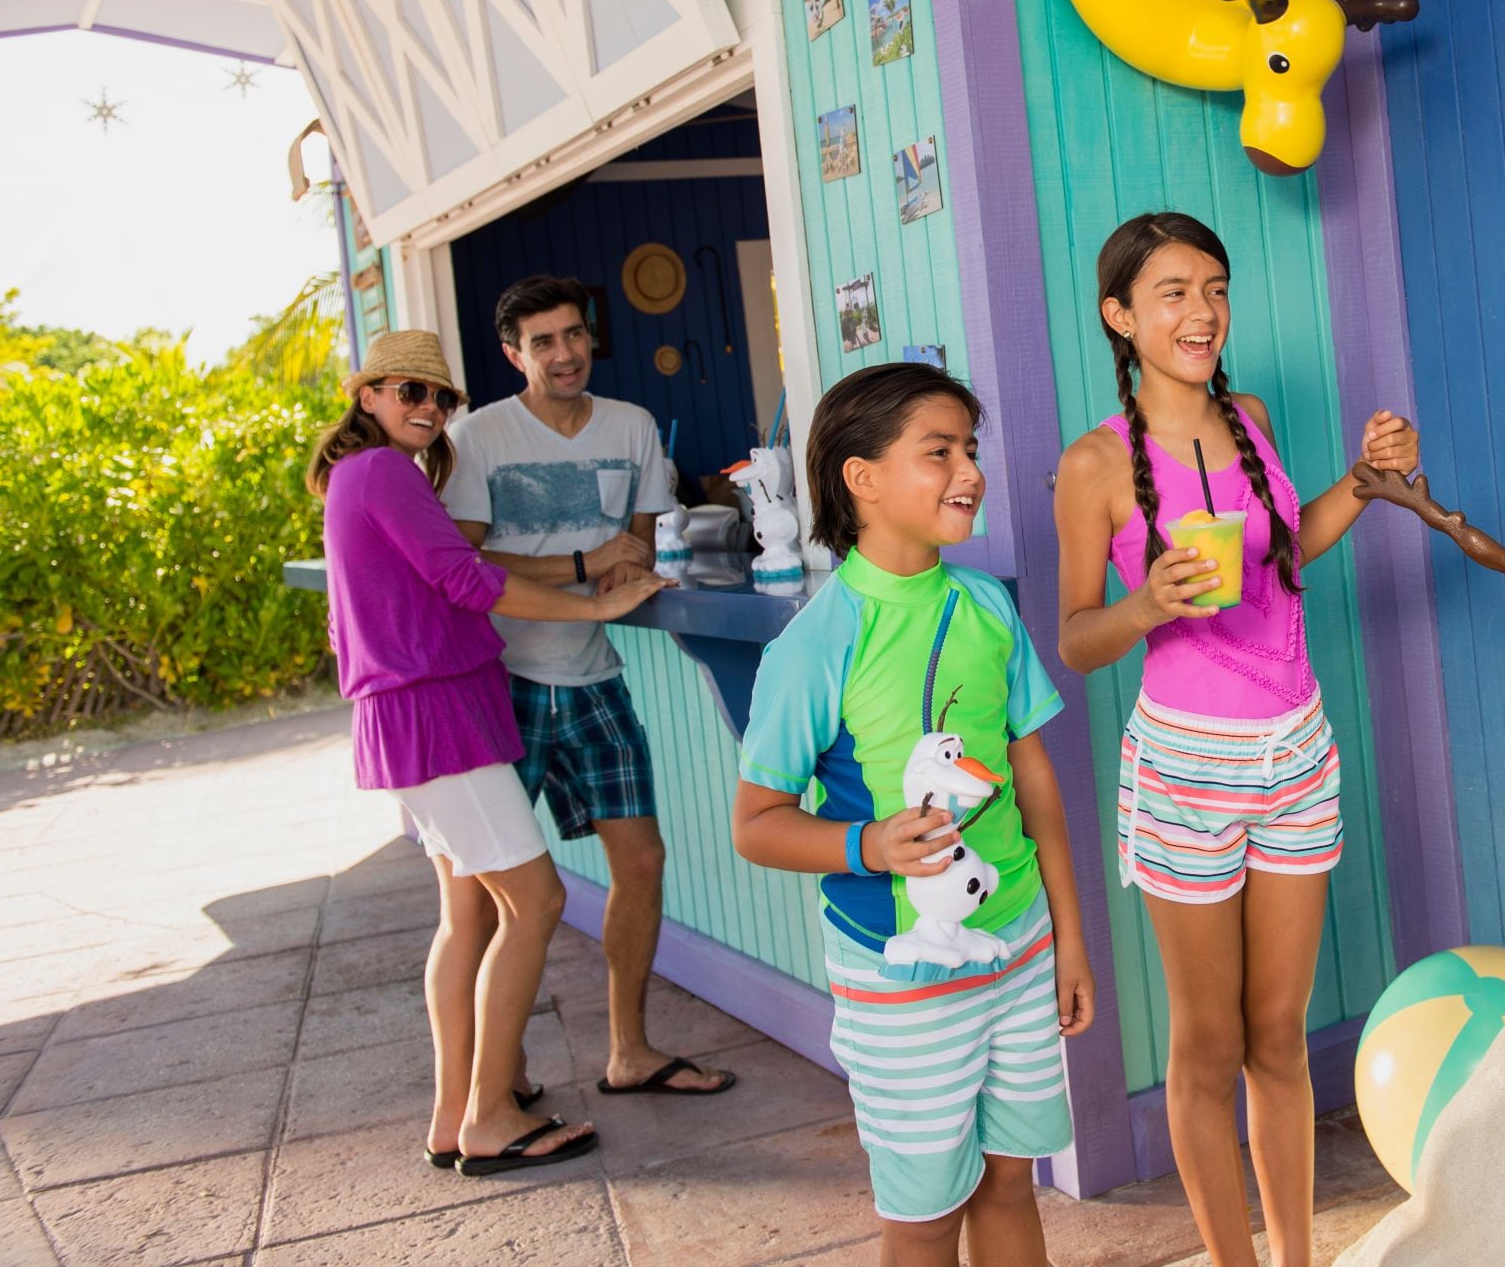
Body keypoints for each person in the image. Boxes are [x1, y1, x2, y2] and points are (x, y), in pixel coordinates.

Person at [1050, 211, 1418, 1267]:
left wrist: (1367, 477)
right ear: (1120, 316)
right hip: (1186, 771)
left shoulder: (1248, 418)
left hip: (1295, 752)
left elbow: (1287, 549)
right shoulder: (1095, 464)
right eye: (1172, 292)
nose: (1202, 311)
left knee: (1277, 1037)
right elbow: (1075, 640)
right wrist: (1146, 605)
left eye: (1214, 288)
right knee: (1209, 1047)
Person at [731, 363, 1095, 1267]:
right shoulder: (815, 644)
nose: (970, 471)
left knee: (1012, 1183)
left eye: (970, 449)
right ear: (861, 477)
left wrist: (1069, 939)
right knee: (927, 1214)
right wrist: (870, 846)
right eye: (940, 452)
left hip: (1021, 946)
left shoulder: (987, 605)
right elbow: (757, 823)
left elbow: (1034, 782)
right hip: (900, 980)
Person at [307, 329, 663, 1175]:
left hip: (414, 717)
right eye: (410, 392)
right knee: (535, 903)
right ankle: (492, 1116)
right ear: (367, 397)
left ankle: (452, 1115)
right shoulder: (383, 472)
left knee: (466, 916)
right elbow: (468, 580)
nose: (429, 409)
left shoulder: (359, 477)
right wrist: (596, 609)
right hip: (439, 718)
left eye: (440, 398)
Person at [442, 275, 736, 1099]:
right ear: (514, 355)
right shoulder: (478, 437)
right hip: (499, 683)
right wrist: (583, 563)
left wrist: (622, 567)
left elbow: (637, 546)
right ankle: (494, 1079)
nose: (565, 353)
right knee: (484, 892)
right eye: (543, 342)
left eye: (574, 334)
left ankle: (629, 1052)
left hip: (593, 678)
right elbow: (463, 564)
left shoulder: (630, 426)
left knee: (640, 861)